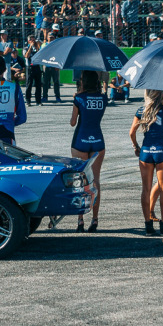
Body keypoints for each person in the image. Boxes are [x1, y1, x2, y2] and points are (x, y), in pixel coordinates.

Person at [130, 90, 163, 235]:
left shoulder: (141, 110)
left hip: (146, 151)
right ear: (161, 95)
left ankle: (148, 225)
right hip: (162, 151)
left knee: (146, 189)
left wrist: (136, 146)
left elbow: (132, 132)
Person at [70, 71, 107, 233]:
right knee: (95, 180)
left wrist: (78, 96)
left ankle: (80, 220)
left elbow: (73, 122)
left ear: (83, 82)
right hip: (97, 139)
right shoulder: (103, 98)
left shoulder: (79, 98)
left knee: (80, 180)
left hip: (80, 141)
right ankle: (95, 219)